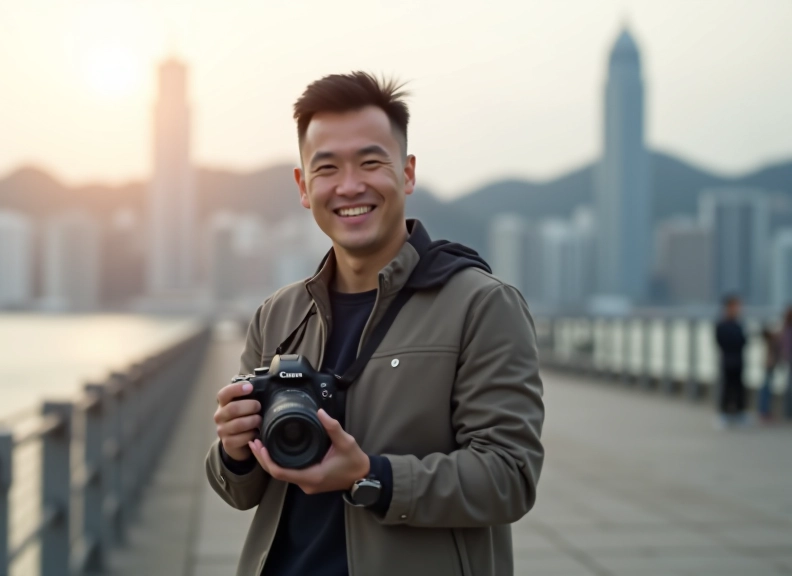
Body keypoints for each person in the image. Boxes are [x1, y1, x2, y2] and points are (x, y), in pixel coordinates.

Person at [205, 72, 545, 576]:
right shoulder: (277, 314)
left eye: (370, 162)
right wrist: (233, 451)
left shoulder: (481, 306)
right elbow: (240, 492)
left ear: (406, 174)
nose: (349, 186)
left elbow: (510, 476)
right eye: (327, 168)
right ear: (304, 186)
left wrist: (372, 477)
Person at [714, 294, 747, 428]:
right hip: (728, 360)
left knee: (739, 387)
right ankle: (724, 414)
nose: (738, 309)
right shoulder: (722, 324)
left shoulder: (738, 324)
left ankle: (739, 413)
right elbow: (721, 342)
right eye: (735, 306)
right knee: (726, 387)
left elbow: (743, 341)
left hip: (738, 360)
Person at [758, 325, 780, 421]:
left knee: (765, 388)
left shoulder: (767, 342)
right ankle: (764, 412)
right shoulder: (771, 342)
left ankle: (764, 411)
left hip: (768, 366)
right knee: (767, 389)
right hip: (769, 367)